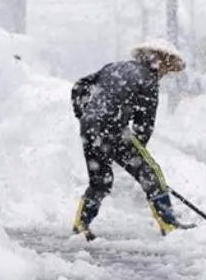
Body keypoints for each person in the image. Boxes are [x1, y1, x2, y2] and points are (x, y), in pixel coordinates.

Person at [70, 38, 195, 241]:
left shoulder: (114, 67)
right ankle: (169, 224)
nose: (164, 74)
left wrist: (84, 114)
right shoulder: (148, 80)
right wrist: (136, 157)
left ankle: (81, 224)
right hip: (114, 129)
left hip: (89, 128)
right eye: (166, 69)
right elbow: (144, 125)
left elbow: (79, 86)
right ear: (160, 61)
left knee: (100, 181)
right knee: (151, 172)